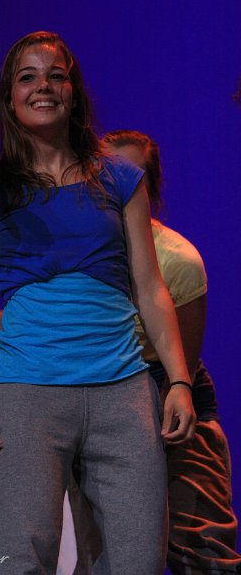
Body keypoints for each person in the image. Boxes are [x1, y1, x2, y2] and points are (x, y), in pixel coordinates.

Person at [0, 31, 195, 575]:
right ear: (10, 97)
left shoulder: (120, 179)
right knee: (18, 562)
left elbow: (150, 287)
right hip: (26, 394)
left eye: (56, 75)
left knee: (137, 562)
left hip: (123, 394)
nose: (43, 86)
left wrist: (178, 380)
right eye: (27, 77)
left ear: (74, 92)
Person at [103, 130, 241, 574]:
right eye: (106, 175)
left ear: (151, 189)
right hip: (101, 400)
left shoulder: (177, 260)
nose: (119, 187)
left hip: (168, 401)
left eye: (132, 177)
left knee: (200, 548)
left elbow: (184, 362)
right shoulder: (76, 256)